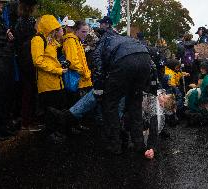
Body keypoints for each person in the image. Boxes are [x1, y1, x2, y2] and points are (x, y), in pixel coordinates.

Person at [92, 16, 151, 155]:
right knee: (135, 104)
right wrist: (149, 85)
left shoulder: (103, 42)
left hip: (124, 62)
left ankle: (115, 144)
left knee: (110, 104)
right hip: (144, 57)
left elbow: (98, 64)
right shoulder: (126, 38)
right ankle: (139, 143)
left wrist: (99, 88)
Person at [31, 15, 68, 117]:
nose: (55, 30)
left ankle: (56, 131)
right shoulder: (38, 39)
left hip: (56, 82)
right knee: (50, 112)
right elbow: (38, 62)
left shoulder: (49, 40)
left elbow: (50, 59)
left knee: (56, 111)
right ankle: (51, 132)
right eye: (54, 28)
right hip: (47, 84)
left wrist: (59, 67)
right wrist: (57, 70)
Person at [0, 0, 16, 137]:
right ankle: (0, 129)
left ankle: (4, 124)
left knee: (6, 95)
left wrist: (8, 37)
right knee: (0, 97)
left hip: (4, 62)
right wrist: (6, 37)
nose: (2, 5)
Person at [14, 0, 38, 130]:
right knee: (29, 92)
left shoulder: (20, 21)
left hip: (24, 60)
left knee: (27, 92)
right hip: (28, 61)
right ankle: (27, 122)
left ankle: (26, 121)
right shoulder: (27, 22)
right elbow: (26, 43)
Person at [63, 20, 92, 103]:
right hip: (78, 81)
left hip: (82, 80)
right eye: (83, 31)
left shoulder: (77, 40)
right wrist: (85, 73)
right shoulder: (71, 40)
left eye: (87, 32)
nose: (85, 34)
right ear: (76, 30)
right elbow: (72, 62)